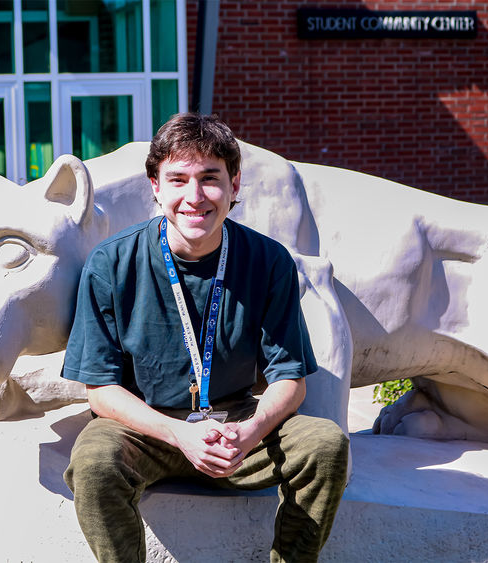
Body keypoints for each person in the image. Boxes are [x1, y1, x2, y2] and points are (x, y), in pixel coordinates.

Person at [62, 113, 348, 563]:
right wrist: (179, 435)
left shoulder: (268, 260)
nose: (194, 197)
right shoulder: (110, 264)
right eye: (177, 180)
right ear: (155, 186)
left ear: (234, 185)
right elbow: (100, 389)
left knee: (325, 445)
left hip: (236, 424)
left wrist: (251, 430)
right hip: (146, 428)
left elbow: (290, 379)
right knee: (94, 464)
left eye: (210, 179)